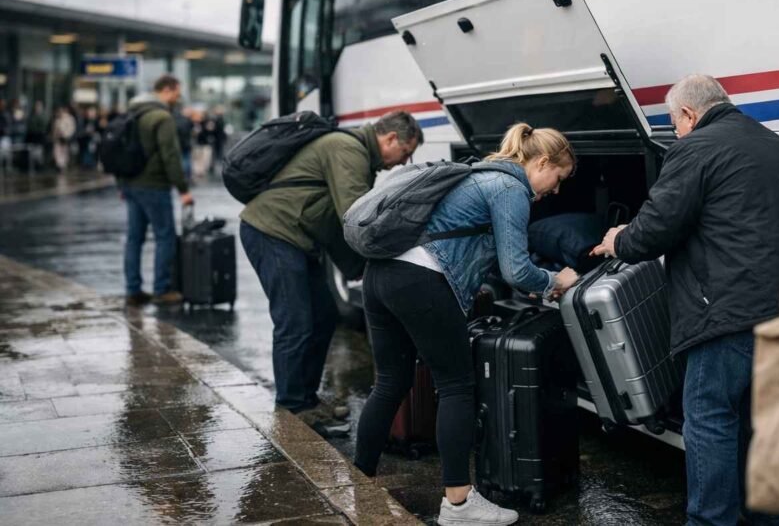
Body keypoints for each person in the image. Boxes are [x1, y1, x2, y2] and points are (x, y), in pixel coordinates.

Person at [592, 75, 779, 526]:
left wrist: (620, 240)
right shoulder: (770, 141)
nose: (675, 132)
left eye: (674, 123)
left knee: (711, 417)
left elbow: (656, 227)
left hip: (729, 313)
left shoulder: (695, 147)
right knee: (761, 423)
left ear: (689, 115)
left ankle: (711, 520)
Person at [354, 123, 580, 526]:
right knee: (456, 385)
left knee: (390, 383)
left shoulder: (478, 176)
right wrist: (553, 281)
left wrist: (528, 285)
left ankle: (357, 481)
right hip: (420, 280)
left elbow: (480, 248)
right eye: (558, 178)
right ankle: (458, 505)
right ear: (542, 162)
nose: (556, 190)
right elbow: (515, 268)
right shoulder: (511, 189)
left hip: (379, 276)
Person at [239, 111, 423, 429]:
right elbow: (353, 217)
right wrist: (374, 261)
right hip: (274, 232)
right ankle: (292, 406)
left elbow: (336, 221)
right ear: (391, 139)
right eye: (405, 153)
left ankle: (305, 398)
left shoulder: (354, 151)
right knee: (295, 321)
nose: (402, 163)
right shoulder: (347, 150)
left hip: (295, 237)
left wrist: (357, 266)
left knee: (323, 316)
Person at [121, 75, 193, 307]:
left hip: (132, 184)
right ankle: (162, 289)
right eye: (176, 93)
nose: (177, 98)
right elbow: (170, 155)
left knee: (134, 239)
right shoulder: (162, 117)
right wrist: (183, 189)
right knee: (165, 237)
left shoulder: (133, 113)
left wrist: (122, 184)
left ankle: (133, 290)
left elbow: (121, 149)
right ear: (167, 90)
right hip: (154, 185)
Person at [51, 106, 76, 172]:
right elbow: (54, 129)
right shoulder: (57, 119)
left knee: (64, 152)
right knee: (57, 151)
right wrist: (54, 135)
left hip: (65, 138)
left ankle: (63, 165)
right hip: (57, 138)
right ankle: (59, 165)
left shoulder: (69, 118)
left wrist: (66, 135)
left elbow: (71, 129)